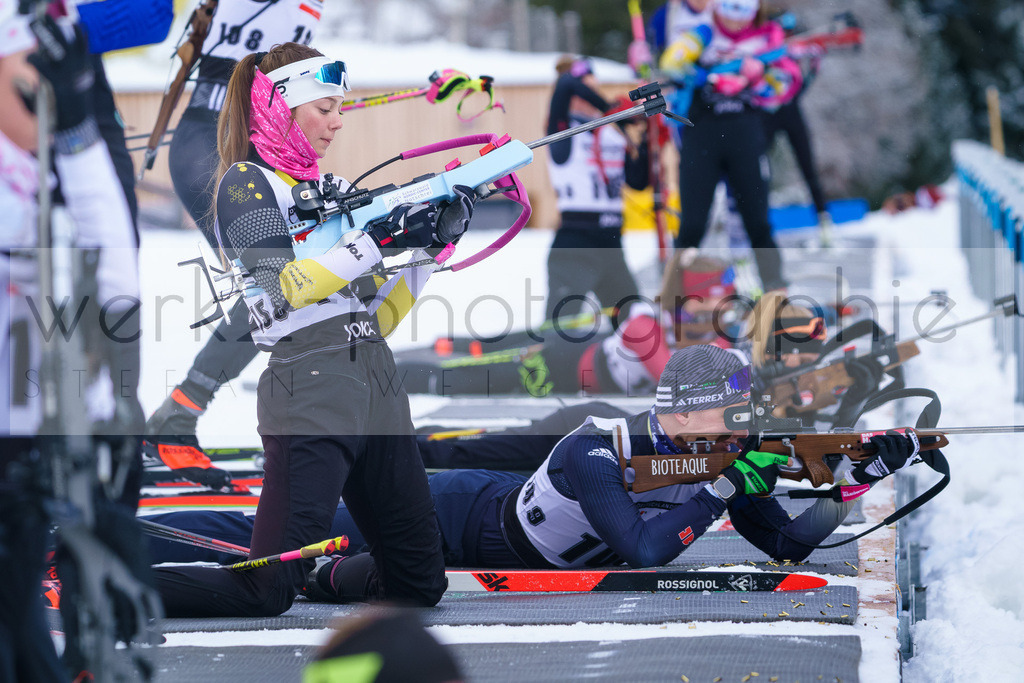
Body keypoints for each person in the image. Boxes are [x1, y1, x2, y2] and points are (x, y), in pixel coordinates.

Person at [151, 42, 472, 616]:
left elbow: (379, 319)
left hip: (375, 381)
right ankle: (112, 588)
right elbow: (284, 288)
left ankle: (320, 578)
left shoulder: (327, 193)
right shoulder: (246, 185)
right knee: (265, 589)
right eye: (324, 107)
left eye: (340, 108)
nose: (337, 121)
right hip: (310, 384)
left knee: (419, 582)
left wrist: (429, 250)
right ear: (281, 105)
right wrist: (373, 241)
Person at [1, 8, 154, 680]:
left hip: (32, 452)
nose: (42, 94)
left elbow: (114, 286)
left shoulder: (59, 156)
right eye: (26, 80)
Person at [143, 0, 323, 490]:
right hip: (211, 140)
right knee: (273, 289)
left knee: (293, 286)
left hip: (238, 139)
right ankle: (175, 419)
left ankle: (181, 416)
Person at [395, 252, 739, 397]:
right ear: (692, 298)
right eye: (715, 297)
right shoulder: (645, 323)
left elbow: (728, 368)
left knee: (513, 346)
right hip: (564, 365)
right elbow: (673, 378)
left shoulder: (706, 330)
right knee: (468, 380)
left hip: (588, 359)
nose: (724, 307)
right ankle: (395, 376)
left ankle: (460, 346)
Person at [660, 0, 802, 292]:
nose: (735, 20)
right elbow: (671, 62)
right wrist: (706, 76)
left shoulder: (767, 37)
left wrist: (758, 77)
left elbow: (787, 84)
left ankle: (776, 293)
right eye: (729, 8)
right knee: (692, 225)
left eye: (743, 11)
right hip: (702, 140)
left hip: (745, 140)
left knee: (758, 224)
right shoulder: (703, 33)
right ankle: (673, 296)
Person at [543, 55, 648, 327]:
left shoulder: (613, 133)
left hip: (612, 243)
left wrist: (648, 135)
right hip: (576, 241)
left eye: (593, 89)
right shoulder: (562, 130)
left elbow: (638, 182)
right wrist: (610, 108)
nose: (587, 97)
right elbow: (566, 83)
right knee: (559, 330)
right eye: (584, 90)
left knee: (633, 325)